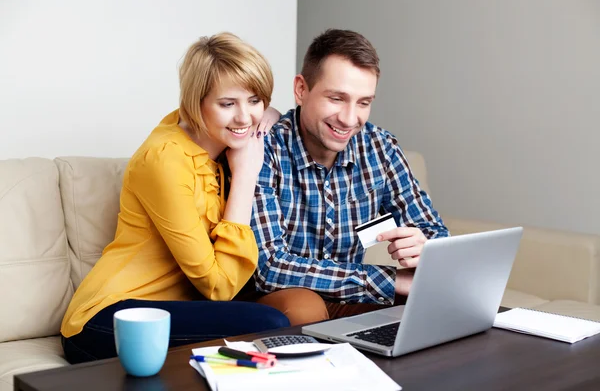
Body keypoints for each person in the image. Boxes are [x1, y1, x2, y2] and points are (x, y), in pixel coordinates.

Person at [60, 32, 290, 364]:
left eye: (254, 100)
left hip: (175, 311)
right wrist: (245, 177)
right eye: (227, 104)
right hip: (105, 320)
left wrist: (266, 115)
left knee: (283, 325)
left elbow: (268, 115)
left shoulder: (217, 138)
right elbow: (219, 288)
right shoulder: (166, 158)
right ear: (196, 103)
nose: (244, 118)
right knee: (271, 325)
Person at [250, 29, 449, 325]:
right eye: (337, 98)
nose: (349, 118)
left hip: (352, 299)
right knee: (304, 306)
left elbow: (435, 234)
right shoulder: (264, 148)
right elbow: (270, 268)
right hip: (284, 303)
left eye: (363, 102)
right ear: (301, 89)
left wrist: (426, 249)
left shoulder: (379, 147)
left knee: (448, 309)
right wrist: (389, 280)